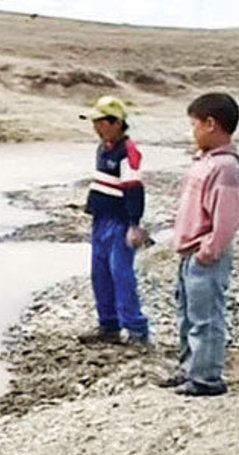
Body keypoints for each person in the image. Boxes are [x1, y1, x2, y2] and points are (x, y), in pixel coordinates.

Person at [159, 93, 239, 397]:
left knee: (206, 318)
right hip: (189, 252)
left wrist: (209, 250)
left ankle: (207, 378)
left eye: (194, 125)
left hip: (203, 254)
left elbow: (227, 217)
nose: (192, 131)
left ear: (210, 124)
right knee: (187, 316)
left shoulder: (225, 167)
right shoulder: (203, 161)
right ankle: (189, 370)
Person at [78, 96, 150, 346]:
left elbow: (134, 190)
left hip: (119, 222)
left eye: (100, 123)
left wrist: (134, 224)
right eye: (95, 123)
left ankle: (136, 329)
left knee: (121, 275)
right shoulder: (103, 148)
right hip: (101, 220)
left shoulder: (127, 152)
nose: (96, 128)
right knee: (100, 274)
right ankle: (109, 325)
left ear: (116, 123)